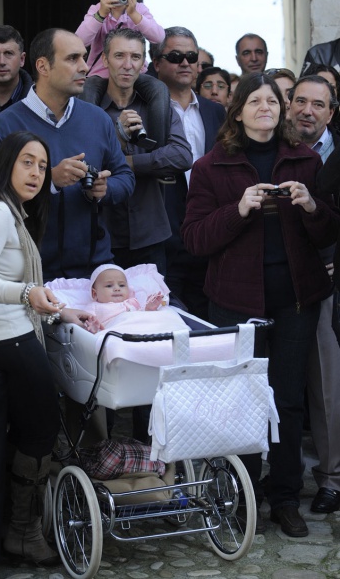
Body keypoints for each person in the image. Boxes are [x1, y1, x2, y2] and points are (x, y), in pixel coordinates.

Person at [182, 72, 340, 537]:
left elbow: (331, 231)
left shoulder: (307, 161)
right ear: (238, 110)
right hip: (234, 301)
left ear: (283, 108)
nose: (265, 107)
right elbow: (193, 239)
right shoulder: (212, 166)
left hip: (294, 299)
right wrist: (238, 209)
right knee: (241, 402)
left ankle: (285, 499)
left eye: (272, 100)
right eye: (255, 101)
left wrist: (313, 207)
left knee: (288, 402)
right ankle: (243, 493)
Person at [0, 130, 94, 566]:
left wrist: (56, 311)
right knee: (43, 427)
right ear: (6, 162)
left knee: (27, 428)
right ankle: (24, 532)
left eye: (43, 166)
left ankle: (14, 526)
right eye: (27, 162)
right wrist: (27, 294)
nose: (36, 173)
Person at [0, 28, 135, 282]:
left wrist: (104, 189)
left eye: (84, 58)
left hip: (93, 270)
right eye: (72, 58)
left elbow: (125, 177)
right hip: (27, 272)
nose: (85, 67)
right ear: (43, 66)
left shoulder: (98, 119)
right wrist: (48, 180)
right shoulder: (5, 124)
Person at [81, 27, 192, 275]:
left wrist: (127, 163)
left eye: (135, 57)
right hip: (102, 234)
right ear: (106, 59)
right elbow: (86, 162)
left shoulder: (157, 107)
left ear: (144, 63)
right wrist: (118, 138)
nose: (127, 65)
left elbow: (182, 155)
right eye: (119, 56)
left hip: (150, 234)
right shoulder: (88, 109)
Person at [289, 75, 340, 515]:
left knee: (326, 385)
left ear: (331, 113)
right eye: (300, 101)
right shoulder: (269, 149)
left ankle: (330, 478)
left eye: (317, 104)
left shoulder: (337, 155)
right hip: (275, 283)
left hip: (327, 285)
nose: (308, 110)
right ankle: (277, 475)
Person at [153, 26, 226, 320]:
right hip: (161, 237)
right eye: (175, 55)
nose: (185, 62)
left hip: (208, 236)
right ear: (157, 63)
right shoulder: (143, 109)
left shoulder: (215, 112)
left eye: (191, 56)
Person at [75, 0, 164, 78]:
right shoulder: (96, 10)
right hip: (100, 75)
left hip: (136, 74)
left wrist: (133, 14)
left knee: (158, 89)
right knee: (88, 93)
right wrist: (101, 14)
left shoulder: (140, 9)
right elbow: (80, 41)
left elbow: (159, 37)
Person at [85, 263, 164, 330]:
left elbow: (142, 317)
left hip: (138, 330)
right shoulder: (94, 307)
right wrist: (91, 327)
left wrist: (149, 309)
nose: (117, 289)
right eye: (109, 286)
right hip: (114, 334)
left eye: (122, 285)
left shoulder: (132, 302)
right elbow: (82, 325)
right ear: (94, 294)